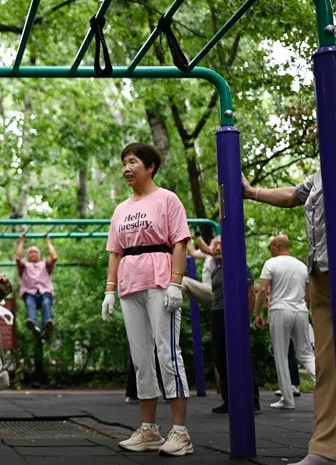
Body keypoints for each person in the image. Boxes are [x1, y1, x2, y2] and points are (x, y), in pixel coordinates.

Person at [242, 90, 336, 465]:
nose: (321, 131)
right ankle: (326, 448)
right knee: (325, 365)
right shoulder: (320, 174)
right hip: (322, 273)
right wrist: (252, 192)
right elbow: (291, 195)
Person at [102, 142, 193, 456]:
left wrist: (175, 283)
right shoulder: (121, 209)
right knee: (141, 359)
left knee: (168, 354)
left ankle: (180, 432)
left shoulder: (167, 199)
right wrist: (109, 290)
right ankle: (149, 430)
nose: (126, 168)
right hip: (130, 283)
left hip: (159, 279)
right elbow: (115, 251)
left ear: (150, 166)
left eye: (132, 162)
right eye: (124, 162)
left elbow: (180, 242)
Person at [254, 235, 315, 410]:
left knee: (281, 355)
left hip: (280, 310)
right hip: (301, 310)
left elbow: (263, 289)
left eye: (270, 246)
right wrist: (305, 309)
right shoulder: (302, 266)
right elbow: (308, 294)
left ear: (278, 246)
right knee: (306, 353)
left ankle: (287, 400)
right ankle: (327, 387)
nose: (269, 249)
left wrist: (258, 314)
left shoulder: (271, 264)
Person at [206, 236, 262, 414]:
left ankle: (253, 401)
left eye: (221, 244)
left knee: (242, 354)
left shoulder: (239, 266)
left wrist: (247, 317)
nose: (217, 248)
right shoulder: (216, 270)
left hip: (234, 314)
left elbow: (251, 293)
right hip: (217, 314)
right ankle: (229, 401)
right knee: (221, 358)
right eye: (215, 245)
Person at [15, 233, 58, 339]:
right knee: (30, 303)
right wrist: (22, 241)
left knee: (46, 302)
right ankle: (33, 324)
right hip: (30, 293)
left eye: (35, 252)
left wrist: (48, 241)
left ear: (40, 255)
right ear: (28, 256)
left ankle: (47, 324)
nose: (33, 254)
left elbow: (54, 257)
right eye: (30, 252)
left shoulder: (45, 264)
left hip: (45, 292)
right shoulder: (25, 266)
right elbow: (17, 258)